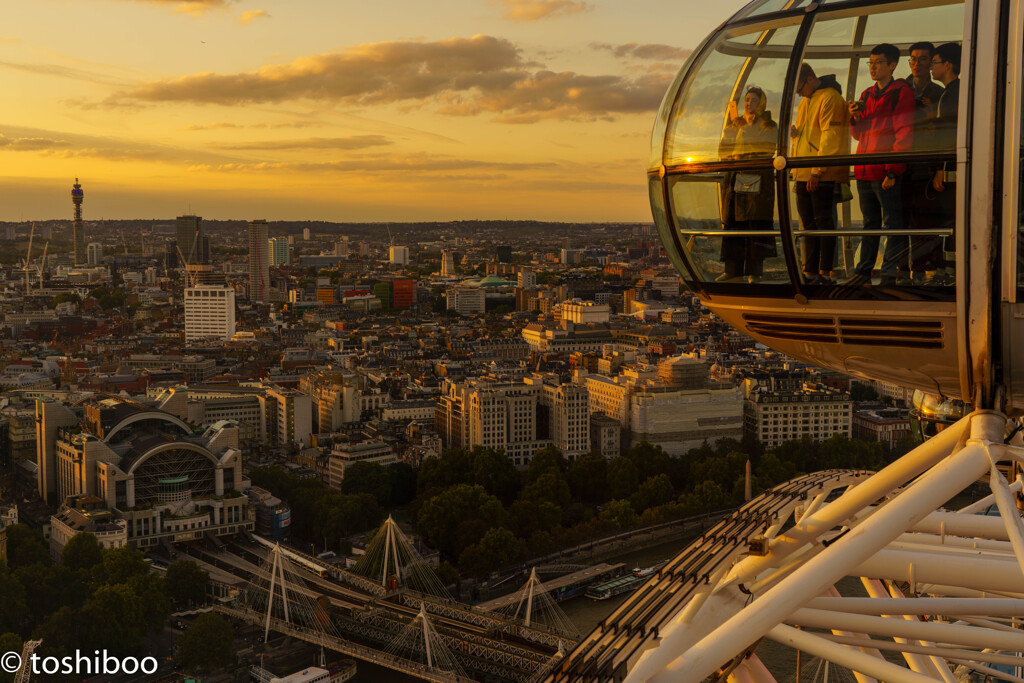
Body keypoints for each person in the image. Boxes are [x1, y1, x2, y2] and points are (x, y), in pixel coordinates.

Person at [847, 43, 915, 287]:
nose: (873, 67)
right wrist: (854, 118)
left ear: (892, 64)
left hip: (884, 171)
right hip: (865, 171)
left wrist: (892, 170)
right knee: (870, 224)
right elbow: (859, 135)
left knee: (891, 223)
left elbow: (904, 132)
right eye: (871, 63)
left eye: (877, 62)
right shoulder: (866, 94)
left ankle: (888, 272)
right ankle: (863, 272)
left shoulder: (900, 92)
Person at [791, 63, 849, 285]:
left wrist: (817, 170)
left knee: (823, 223)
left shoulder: (830, 97)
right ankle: (811, 271)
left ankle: (825, 272)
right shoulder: (807, 101)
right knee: (809, 225)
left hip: (820, 174)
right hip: (804, 173)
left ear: (809, 79)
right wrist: (796, 136)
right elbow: (810, 138)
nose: (798, 94)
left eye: (799, 89)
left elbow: (830, 136)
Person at [718, 86, 778, 283]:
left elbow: (766, 148)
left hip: (758, 181)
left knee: (754, 226)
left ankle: (754, 272)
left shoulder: (769, 125)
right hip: (735, 180)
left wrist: (742, 128)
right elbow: (723, 151)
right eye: (746, 100)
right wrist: (729, 134)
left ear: (761, 103)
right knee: (733, 225)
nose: (748, 103)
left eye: (753, 100)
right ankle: (732, 270)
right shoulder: (736, 125)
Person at [899, 42, 946, 283]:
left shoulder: (938, 93)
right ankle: (907, 266)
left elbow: (945, 129)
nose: (917, 64)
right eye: (913, 59)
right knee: (904, 220)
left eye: (923, 59)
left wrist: (939, 167)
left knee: (926, 218)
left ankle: (926, 266)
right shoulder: (900, 89)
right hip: (903, 163)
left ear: (931, 62)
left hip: (926, 164)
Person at [926, 42, 961, 286]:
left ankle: (951, 272)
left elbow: (949, 134)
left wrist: (940, 168)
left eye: (935, 62)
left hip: (951, 172)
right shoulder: (956, 92)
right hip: (954, 169)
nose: (931, 67)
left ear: (947, 65)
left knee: (951, 221)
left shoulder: (951, 94)